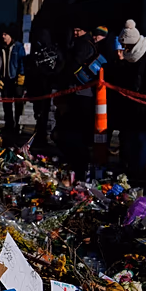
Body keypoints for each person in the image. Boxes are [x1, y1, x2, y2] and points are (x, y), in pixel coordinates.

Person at [110, 20, 146, 185]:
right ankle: (129, 167)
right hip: (129, 103)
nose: (124, 50)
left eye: (126, 47)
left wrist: (142, 94)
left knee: (142, 137)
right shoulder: (128, 57)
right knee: (128, 136)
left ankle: (139, 169)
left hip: (144, 103)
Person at [54, 23, 98, 178]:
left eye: (78, 30)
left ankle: (78, 165)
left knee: (74, 130)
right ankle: (76, 162)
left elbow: (73, 65)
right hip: (79, 92)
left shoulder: (83, 45)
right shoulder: (83, 44)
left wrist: (63, 70)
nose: (75, 32)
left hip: (80, 92)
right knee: (72, 130)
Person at [24, 29, 64, 145]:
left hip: (48, 87)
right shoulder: (36, 53)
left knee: (48, 113)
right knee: (40, 113)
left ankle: (47, 135)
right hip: (39, 87)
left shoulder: (53, 52)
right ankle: (42, 135)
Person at [0, 30, 26, 133]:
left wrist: (21, 75)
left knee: (18, 103)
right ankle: (9, 124)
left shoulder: (18, 47)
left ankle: (18, 123)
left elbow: (22, 61)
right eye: (3, 34)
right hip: (5, 79)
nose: (3, 36)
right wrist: (0, 78)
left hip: (16, 79)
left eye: (5, 34)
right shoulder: (1, 47)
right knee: (6, 103)